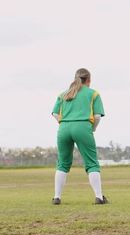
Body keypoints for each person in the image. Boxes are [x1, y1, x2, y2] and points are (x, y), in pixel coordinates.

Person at [51, 68, 108, 205]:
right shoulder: (93, 94)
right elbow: (97, 116)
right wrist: (92, 128)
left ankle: (57, 197)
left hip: (64, 128)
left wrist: (63, 122)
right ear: (88, 80)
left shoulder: (63, 94)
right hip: (83, 127)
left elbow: (54, 113)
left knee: (63, 163)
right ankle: (99, 197)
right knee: (91, 163)